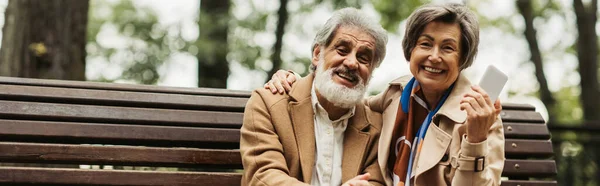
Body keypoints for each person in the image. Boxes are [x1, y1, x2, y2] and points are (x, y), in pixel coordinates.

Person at [265, 3, 505, 186]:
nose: (434, 56)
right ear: (410, 50)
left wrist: (475, 140)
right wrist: (299, 82)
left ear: (463, 60)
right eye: (425, 44)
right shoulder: (394, 95)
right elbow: (341, 99)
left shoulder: (481, 118)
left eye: (448, 48)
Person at [240, 7, 390, 186]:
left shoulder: (377, 127)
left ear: (372, 71)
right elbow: (263, 176)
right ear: (318, 54)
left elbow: (376, 181)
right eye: (342, 50)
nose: (351, 63)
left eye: (364, 58)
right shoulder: (268, 103)